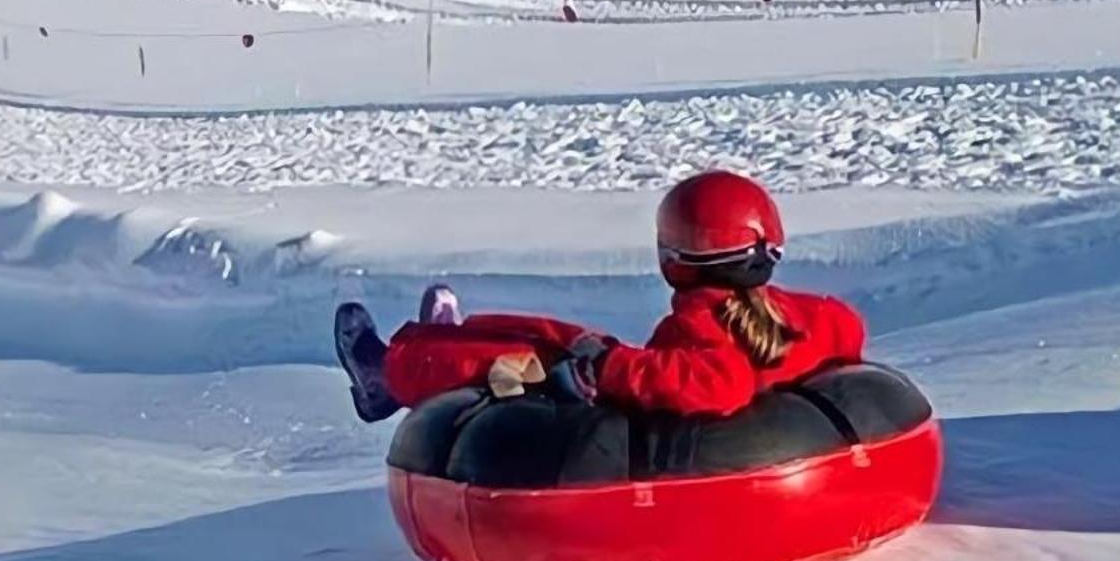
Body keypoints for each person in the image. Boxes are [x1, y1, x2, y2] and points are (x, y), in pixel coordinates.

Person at [333, 170, 867, 423]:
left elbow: (718, 385)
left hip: (612, 418)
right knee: (554, 335)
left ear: (674, 257)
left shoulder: (704, 323)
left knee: (519, 362)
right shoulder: (804, 313)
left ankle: (389, 376)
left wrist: (612, 366)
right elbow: (847, 329)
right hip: (628, 383)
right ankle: (440, 338)